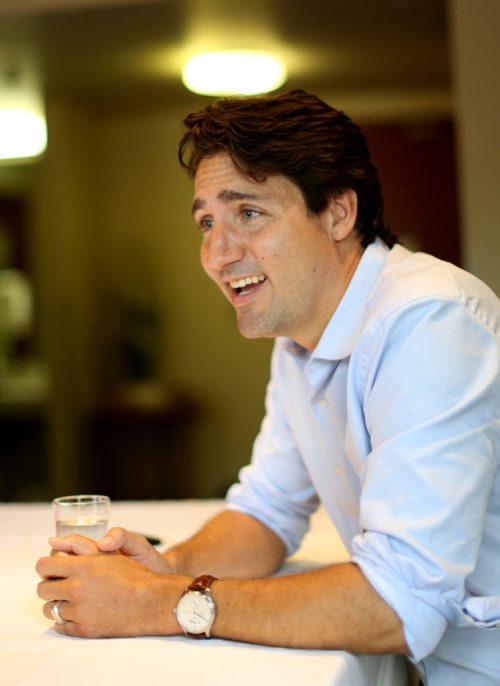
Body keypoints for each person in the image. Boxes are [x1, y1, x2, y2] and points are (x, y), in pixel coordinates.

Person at [36, 89, 500, 685]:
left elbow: (398, 602)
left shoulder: (430, 321)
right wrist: (163, 568)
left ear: (338, 212)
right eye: (207, 221)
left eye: (248, 213)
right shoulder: (300, 337)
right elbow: (267, 512)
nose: (218, 253)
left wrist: (160, 603)